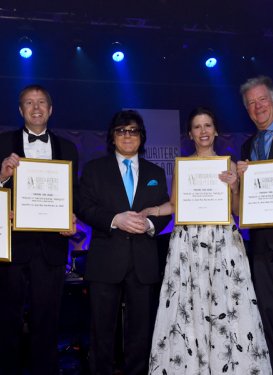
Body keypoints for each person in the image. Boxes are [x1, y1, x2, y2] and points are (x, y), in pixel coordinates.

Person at [141, 106, 271, 374]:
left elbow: (236, 211)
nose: (203, 131)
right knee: (189, 305)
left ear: (216, 130)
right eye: (198, 127)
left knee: (226, 304)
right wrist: (152, 211)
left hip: (222, 244)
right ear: (190, 133)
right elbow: (175, 204)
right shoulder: (183, 166)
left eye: (208, 125)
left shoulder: (230, 165)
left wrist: (235, 186)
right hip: (188, 244)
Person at [78, 109, 171, 375]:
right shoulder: (95, 169)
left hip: (143, 262)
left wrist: (151, 224)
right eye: (121, 131)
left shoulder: (155, 171)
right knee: (101, 331)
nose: (127, 136)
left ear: (142, 137)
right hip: (106, 261)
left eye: (133, 131)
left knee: (141, 332)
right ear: (112, 136)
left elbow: (164, 209)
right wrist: (115, 219)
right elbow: (84, 206)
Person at [0, 84, 79, 375]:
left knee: (47, 322)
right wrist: (1, 178)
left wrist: (72, 220)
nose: (36, 108)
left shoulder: (68, 148)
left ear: (51, 109)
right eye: (29, 103)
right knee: (7, 320)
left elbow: (74, 194)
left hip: (52, 248)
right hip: (12, 247)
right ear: (21, 110)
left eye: (41, 102)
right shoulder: (2, 143)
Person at [237, 75, 273, 371]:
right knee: (268, 315)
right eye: (251, 104)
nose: (257, 107)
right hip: (261, 246)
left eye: (262, 99)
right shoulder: (247, 147)